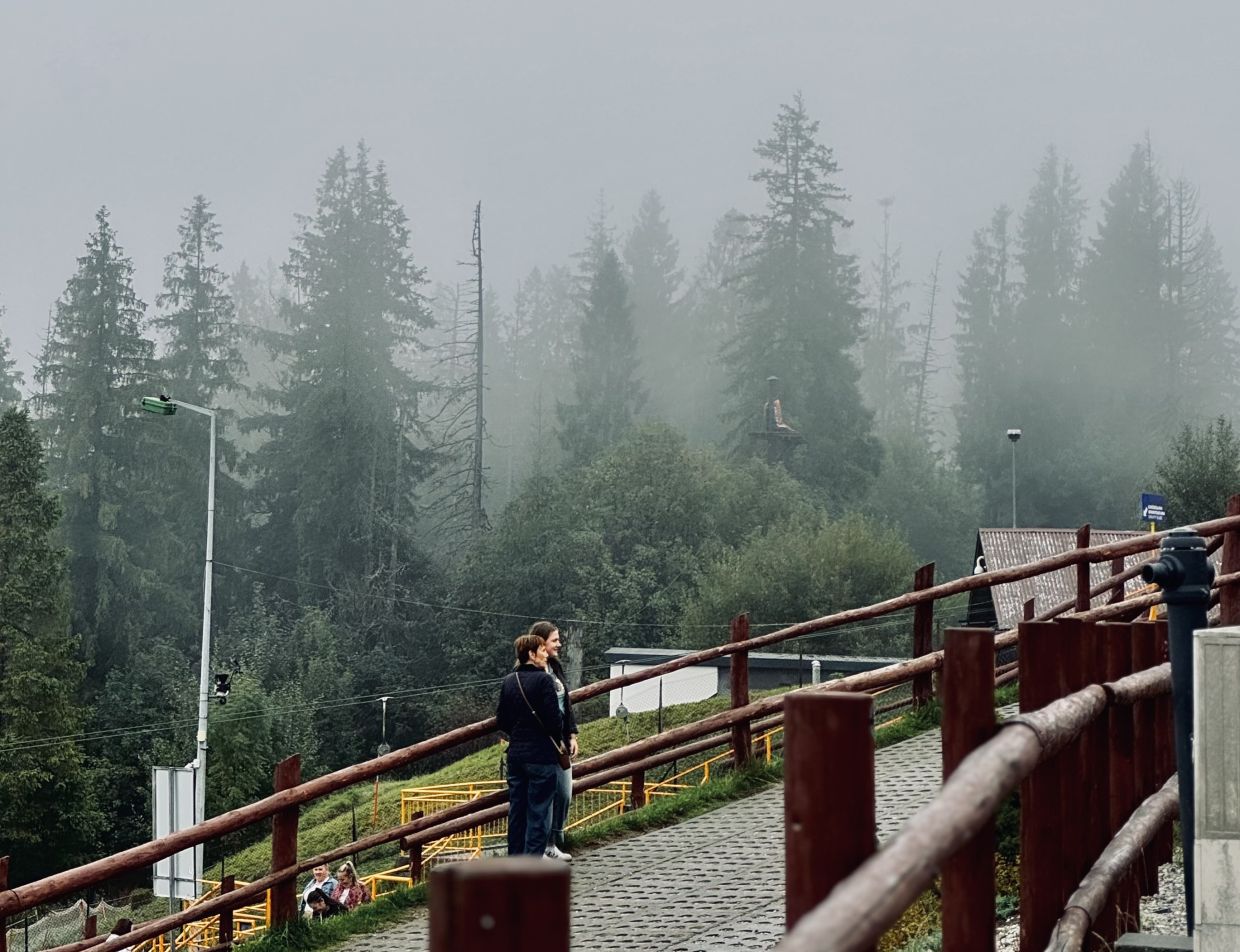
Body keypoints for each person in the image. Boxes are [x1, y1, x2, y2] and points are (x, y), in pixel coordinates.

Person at [496, 631, 563, 856]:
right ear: (532, 654)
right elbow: (555, 721)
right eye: (542, 650)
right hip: (541, 755)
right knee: (539, 812)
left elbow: (502, 720)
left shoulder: (508, 681)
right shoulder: (544, 680)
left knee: (517, 811)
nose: (546, 654)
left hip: (516, 755)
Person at [530, 620, 577, 861]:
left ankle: (555, 838)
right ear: (540, 643)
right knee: (545, 795)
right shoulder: (532, 673)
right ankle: (544, 845)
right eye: (554, 640)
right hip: (542, 743)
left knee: (564, 792)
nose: (559, 644)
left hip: (560, 742)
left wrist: (572, 733)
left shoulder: (554, 667)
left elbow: (565, 701)